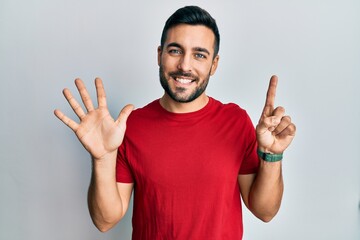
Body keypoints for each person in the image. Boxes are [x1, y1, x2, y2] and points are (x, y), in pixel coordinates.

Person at [54, 5, 296, 240]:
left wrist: (272, 156)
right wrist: (103, 159)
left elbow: (265, 211)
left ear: (214, 65)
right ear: (159, 55)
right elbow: (105, 221)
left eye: (199, 55)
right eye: (175, 51)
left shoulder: (235, 121)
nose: (185, 66)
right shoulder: (131, 126)